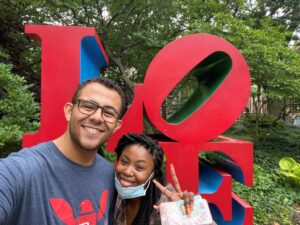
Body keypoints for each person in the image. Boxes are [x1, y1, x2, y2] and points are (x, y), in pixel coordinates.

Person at [0, 77, 127, 225]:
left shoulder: (110, 175)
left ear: (117, 126)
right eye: (88, 106)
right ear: (69, 111)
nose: (97, 117)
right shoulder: (21, 170)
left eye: (109, 113)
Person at [113, 133, 196, 225]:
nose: (127, 172)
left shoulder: (167, 202)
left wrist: (189, 216)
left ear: (152, 174)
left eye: (139, 167)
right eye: (124, 162)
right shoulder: (109, 191)